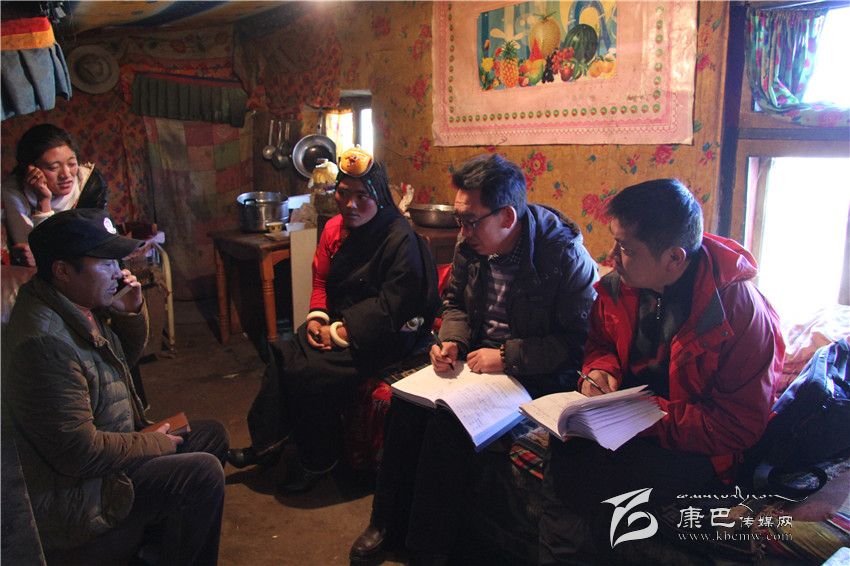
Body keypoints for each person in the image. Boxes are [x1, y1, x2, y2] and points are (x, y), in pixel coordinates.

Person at [349, 153, 598, 564]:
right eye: (459, 219)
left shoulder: (562, 255)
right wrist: (452, 342)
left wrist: (507, 357)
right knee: (406, 404)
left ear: (508, 217)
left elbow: (578, 342)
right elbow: (456, 304)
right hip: (477, 365)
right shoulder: (472, 244)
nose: (462, 232)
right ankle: (384, 523)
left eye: (470, 220)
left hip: (536, 376)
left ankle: (427, 550)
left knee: (447, 424)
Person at [537, 179, 785, 564]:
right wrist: (600, 371)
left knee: (599, 475)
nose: (611, 257)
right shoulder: (620, 286)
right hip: (627, 420)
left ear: (674, 258)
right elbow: (600, 344)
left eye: (625, 248)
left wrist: (643, 418)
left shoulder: (741, 314)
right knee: (566, 448)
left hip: (697, 448)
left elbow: (738, 425)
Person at [3, 209, 229, 565]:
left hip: (109, 459)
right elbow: (78, 451)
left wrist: (129, 311)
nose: (118, 271)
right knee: (201, 475)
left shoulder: (74, 302)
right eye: (105, 262)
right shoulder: (44, 343)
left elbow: (117, 365)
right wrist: (152, 444)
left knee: (210, 436)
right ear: (62, 270)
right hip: (80, 495)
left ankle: (155, 552)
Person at [228, 147, 440, 494]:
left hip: (390, 334)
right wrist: (317, 318)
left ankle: (318, 459)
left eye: (362, 196)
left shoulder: (399, 238)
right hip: (343, 321)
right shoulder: (336, 229)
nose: (350, 204)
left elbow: (395, 307)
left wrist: (339, 332)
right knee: (283, 353)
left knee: (309, 371)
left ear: (378, 197)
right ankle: (268, 445)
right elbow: (322, 281)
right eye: (343, 193)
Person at [2, 123, 108, 267]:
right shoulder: (14, 190)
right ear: (31, 169)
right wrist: (43, 201)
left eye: (72, 164)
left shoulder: (89, 183)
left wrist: (46, 253)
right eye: (53, 167)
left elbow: (94, 242)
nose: (66, 174)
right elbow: (30, 249)